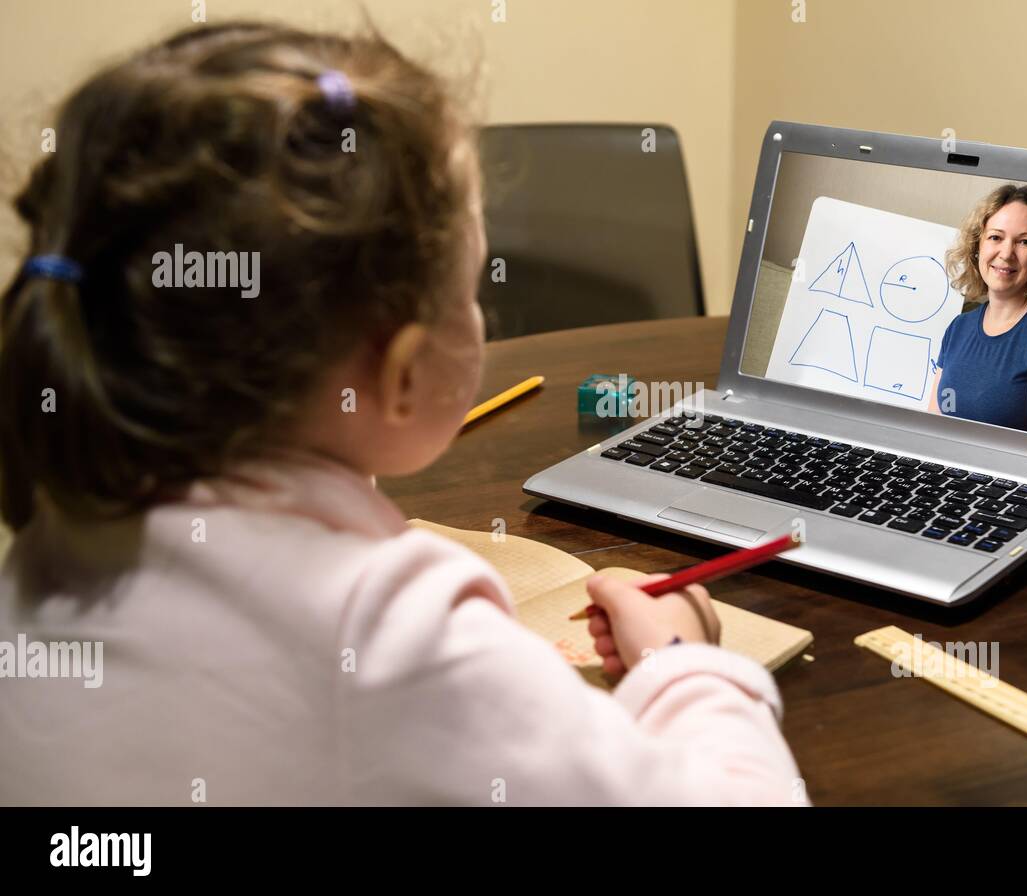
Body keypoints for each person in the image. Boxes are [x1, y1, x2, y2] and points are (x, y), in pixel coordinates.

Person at [0, 23, 804, 806]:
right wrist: (683, 657)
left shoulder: (57, 533)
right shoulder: (392, 625)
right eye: (469, 292)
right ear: (403, 372)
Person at [927, 184, 1027, 439]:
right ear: (977, 245)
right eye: (995, 237)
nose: (1006, 253)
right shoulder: (958, 327)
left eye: (1025, 242)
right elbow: (932, 430)